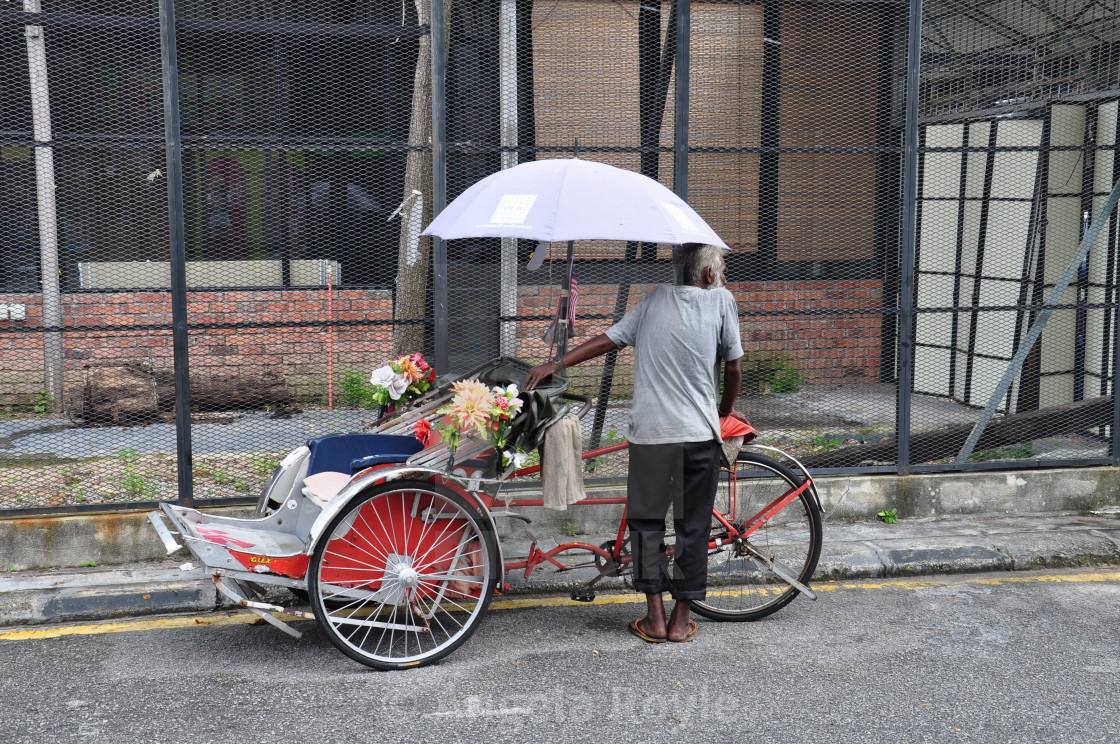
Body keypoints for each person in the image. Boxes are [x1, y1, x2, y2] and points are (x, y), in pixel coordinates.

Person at [524, 243, 748, 643]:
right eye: (723, 266)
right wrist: (723, 412)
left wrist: (553, 364)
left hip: (651, 439)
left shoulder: (652, 302)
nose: (726, 272)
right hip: (698, 437)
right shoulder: (722, 302)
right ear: (710, 274)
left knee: (646, 525)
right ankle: (681, 623)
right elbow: (733, 367)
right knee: (692, 527)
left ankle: (654, 619)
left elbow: (606, 341)